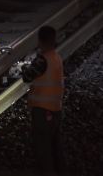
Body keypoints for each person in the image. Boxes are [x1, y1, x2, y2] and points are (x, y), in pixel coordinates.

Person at [21, 25, 66, 174]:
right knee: (55, 148)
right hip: (56, 110)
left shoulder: (42, 60)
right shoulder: (57, 57)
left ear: (40, 41)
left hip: (42, 111)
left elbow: (27, 77)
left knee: (43, 150)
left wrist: (24, 68)